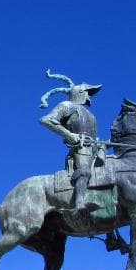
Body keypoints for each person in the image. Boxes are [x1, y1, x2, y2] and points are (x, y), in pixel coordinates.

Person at [39, 72, 103, 217]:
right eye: (88, 93)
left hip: (95, 148)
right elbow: (46, 120)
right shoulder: (67, 105)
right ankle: (79, 203)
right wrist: (69, 135)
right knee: (85, 171)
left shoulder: (90, 115)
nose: (90, 96)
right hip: (81, 148)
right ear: (80, 92)